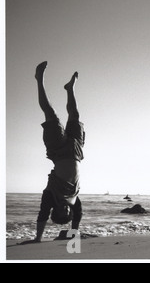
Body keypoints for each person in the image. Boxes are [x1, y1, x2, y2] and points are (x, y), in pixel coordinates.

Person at [21, 61, 85, 244]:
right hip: (76, 151)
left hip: (58, 150)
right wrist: (74, 235)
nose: (65, 210)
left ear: (55, 210)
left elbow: (42, 215)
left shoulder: (50, 197)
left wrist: (37, 239)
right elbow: (78, 217)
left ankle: (39, 80)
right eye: (67, 212)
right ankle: (69, 89)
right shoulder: (74, 202)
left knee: (51, 114)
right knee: (75, 116)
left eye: (60, 212)